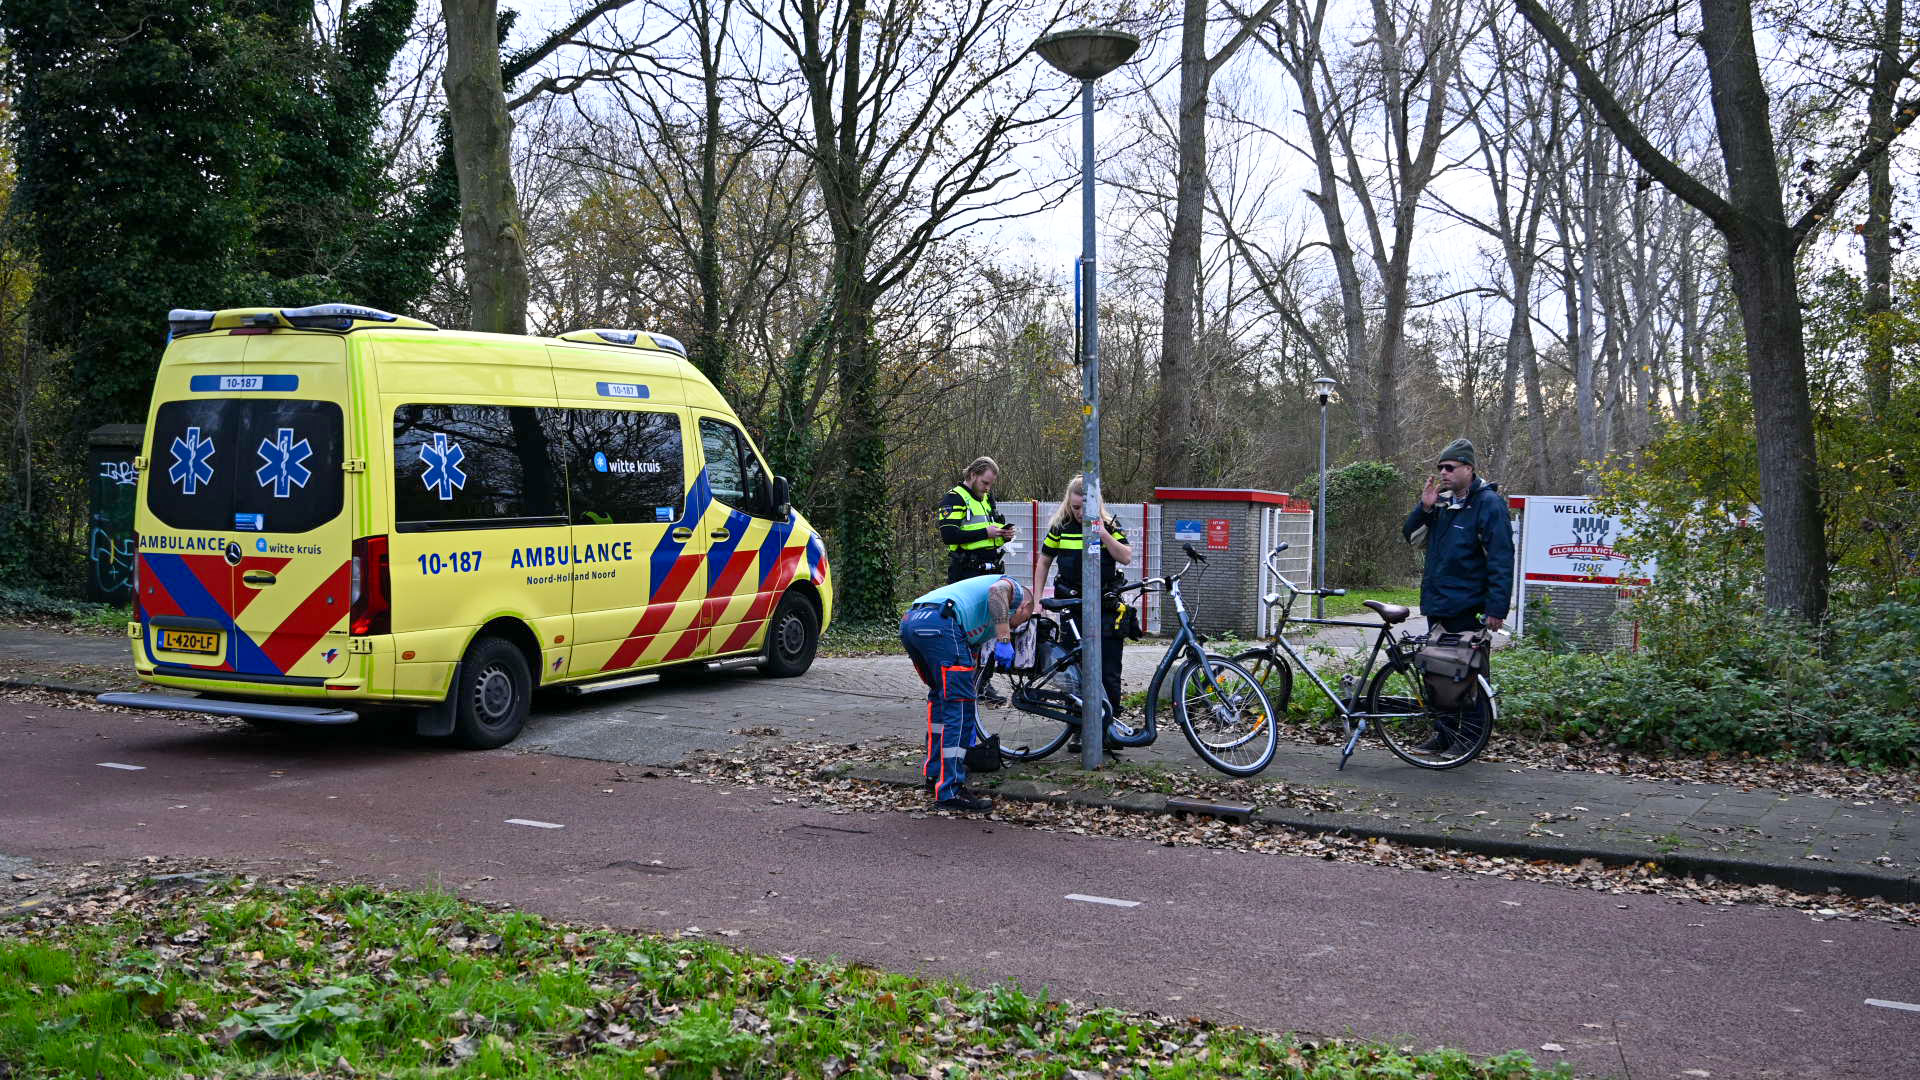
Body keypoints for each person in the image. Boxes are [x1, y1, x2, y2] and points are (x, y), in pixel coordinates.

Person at [1402, 438, 1513, 750]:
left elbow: (1502, 559)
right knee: (1438, 672)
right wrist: (1423, 507)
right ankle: (1445, 734)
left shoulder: (1489, 505)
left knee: (1469, 674)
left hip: (1469, 607)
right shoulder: (1441, 504)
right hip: (1438, 605)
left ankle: (1471, 738)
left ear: (1468, 467)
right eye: (1440, 468)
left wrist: (1496, 608)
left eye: (1450, 467)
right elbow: (1411, 537)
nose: (1444, 473)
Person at [900, 573, 1034, 812]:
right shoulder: (1015, 589)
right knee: (960, 707)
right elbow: (997, 593)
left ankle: (935, 774)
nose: (1018, 625)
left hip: (912, 621)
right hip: (942, 623)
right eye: (1024, 618)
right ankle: (950, 790)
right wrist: (1004, 638)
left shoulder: (975, 609)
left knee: (941, 699)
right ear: (1024, 606)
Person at [1034, 475, 1132, 747]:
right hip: (1072, 608)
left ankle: (1108, 728)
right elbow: (1043, 562)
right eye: (1075, 507)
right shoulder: (1060, 528)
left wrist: (1101, 532)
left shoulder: (1110, 525)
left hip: (1105, 607)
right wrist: (1037, 602)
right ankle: (1078, 728)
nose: (1079, 513)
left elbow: (1125, 556)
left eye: (1084, 508)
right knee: (1074, 672)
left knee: (1109, 669)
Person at [937, 456, 1015, 703]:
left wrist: (1003, 535)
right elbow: (948, 534)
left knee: (990, 631)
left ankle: (983, 683)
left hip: (989, 570)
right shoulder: (955, 498)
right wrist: (986, 532)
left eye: (990, 484)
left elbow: (988, 533)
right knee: (967, 631)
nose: (987, 488)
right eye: (984, 482)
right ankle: (961, 685)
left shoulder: (986, 500)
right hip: (966, 572)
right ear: (972, 475)